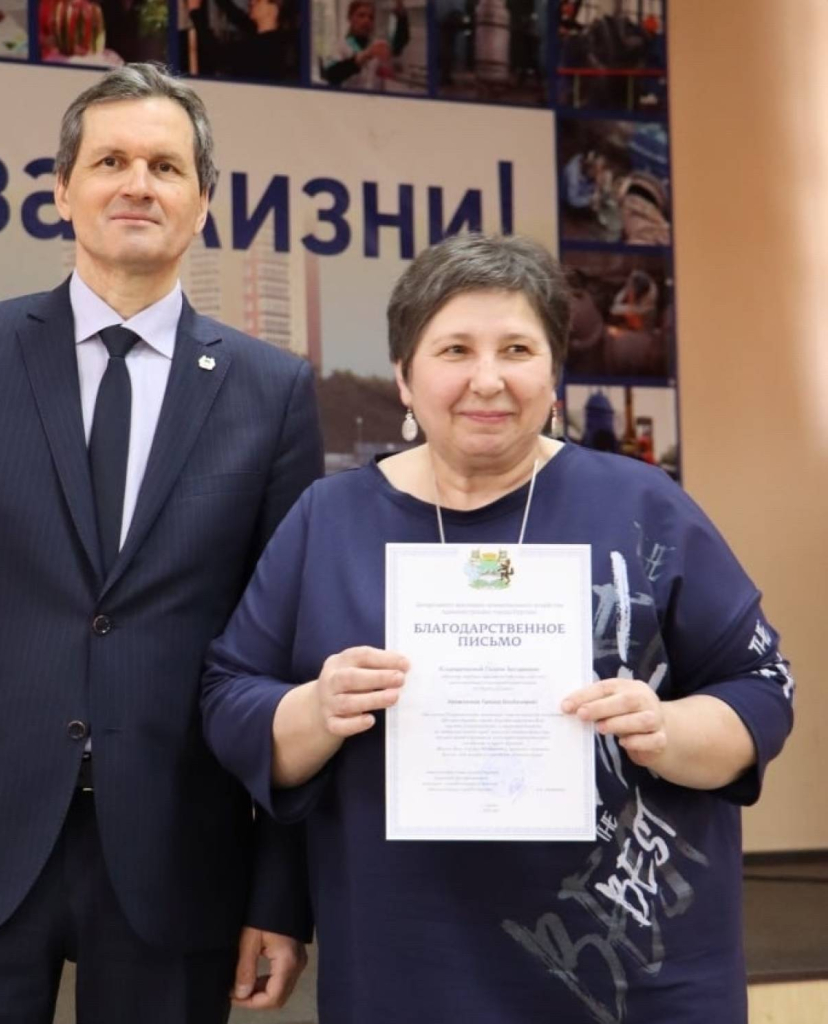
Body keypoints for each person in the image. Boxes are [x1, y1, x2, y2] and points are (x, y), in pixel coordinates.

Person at [0, 63, 322, 1024]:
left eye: (166, 166)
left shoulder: (272, 391)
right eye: (110, 161)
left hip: (179, 850)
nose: (137, 184)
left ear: (204, 202)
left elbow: (291, 660)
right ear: (61, 192)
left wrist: (279, 894)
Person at [200, 233, 794, 1023]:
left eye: (517, 349)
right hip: (406, 962)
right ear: (404, 377)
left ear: (554, 374)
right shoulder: (329, 520)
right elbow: (229, 696)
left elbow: (762, 687)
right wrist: (316, 709)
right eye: (454, 349)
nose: (487, 378)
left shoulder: (644, 506)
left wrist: (668, 730)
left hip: (630, 969)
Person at [187, 0, 298, 82]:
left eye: (259, 1)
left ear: (273, 10)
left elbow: (218, 56)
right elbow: (236, 16)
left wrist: (195, 12)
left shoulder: (261, 47)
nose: (252, 1)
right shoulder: (274, 38)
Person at [321, 0, 408, 90]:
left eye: (371, 17)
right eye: (361, 15)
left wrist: (401, 15)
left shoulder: (378, 45)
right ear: (350, 18)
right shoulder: (340, 46)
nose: (367, 20)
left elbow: (401, 41)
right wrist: (365, 56)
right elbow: (331, 75)